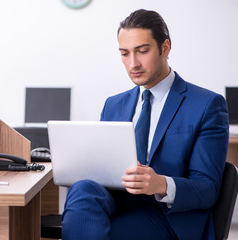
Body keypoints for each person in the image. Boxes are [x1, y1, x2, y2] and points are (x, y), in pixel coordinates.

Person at [62, 9, 229, 240]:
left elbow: (207, 188)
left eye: (142, 51)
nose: (133, 63)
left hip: (165, 214)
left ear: (165, 48)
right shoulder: (113, 104)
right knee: (82, 189)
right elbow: (102, 167)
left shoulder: (207, 105)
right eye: (124, 53)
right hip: (116, 200)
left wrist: (161, 184)